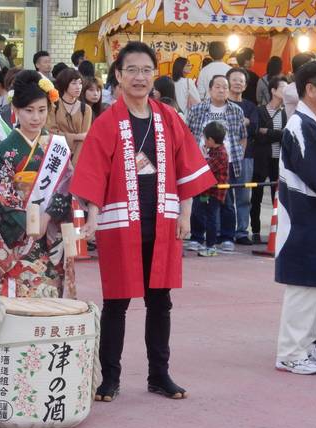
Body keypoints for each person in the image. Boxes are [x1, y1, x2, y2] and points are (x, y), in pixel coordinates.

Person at [70, 42, 217, 401]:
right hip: (120, 224)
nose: (139, 77)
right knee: (117, 301)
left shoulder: (168, 118)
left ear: (154, 75)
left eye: (146, 70)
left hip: (162, 223)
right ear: (118, 76)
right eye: (131, 70)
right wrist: (91, 218)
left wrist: (186, 215)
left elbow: (188, 169)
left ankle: (159, 374)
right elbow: (93, 175)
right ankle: (110, 378)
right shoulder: (107, 123)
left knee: (160, 301)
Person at [0, 70, 73, 298]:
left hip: (50, 233)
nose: (36, 117)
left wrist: (46, 218)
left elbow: (66, 186)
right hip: (18, 237)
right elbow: (4, 196)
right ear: (15, 110)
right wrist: (32, 223)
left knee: (48, 300)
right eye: (29, 111)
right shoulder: (4, 151)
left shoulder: (57, 147)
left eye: (42, 110)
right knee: (14, 303)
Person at [274, 61, 316, 375]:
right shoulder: (299, 126)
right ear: (310, 89)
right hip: (303, 216)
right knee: (304, 286)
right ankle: (289, 352)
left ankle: (306, 345)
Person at [186, 75, 246, 253]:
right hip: (200, 164)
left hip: (224, 164)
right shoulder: (197, 109)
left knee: (226, 202)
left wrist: (238, 156)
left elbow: (243, 136)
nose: (222, 90)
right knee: (199, 202)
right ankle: (197, 237)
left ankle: (227, 237)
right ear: (210, 89)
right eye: (218, 87)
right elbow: (187, 134)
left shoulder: (236, 110)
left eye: (225, 87)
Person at [251, 75, 287, 244]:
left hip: (278, 160)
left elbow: (286, 136)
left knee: (277, 197)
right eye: (282, 88)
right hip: (261, 159)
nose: (286, 92)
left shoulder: (286, 112)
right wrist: (275, 135)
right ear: (273, 91)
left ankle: (277, 232)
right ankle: (256, 231)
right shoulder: (260, 111)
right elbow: (258, 134)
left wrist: (269, 133)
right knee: (256, 196)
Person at [227, 67, 258, 245]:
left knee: (244, 195)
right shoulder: (221, 104)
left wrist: (243, 122)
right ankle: (227, 230)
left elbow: (253, 127)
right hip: (225, 157)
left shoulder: (250, 106)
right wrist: (243, 121)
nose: (238, 83)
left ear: (245, 86)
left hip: (246, 155)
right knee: (225, 195)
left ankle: (242, 232)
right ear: (228, 82)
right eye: (235, 80)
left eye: (241, 81)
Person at [194, 121, 229, 257]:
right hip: (206, 192)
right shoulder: (213, 151)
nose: (203, 141)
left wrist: (202, 156)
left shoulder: (220, 154)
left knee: (211, 218)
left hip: (214, 193)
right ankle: (204, 241)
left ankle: (211, 246)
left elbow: (204, 168)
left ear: (211, 140)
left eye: (205, 138)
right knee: (201, 213)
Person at [47, 68, 91, 165]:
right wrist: (76, 136)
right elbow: (51, 132)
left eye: (80, 83)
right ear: (64, 84)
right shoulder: (54, 105)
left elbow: (84, 138)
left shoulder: (86, 108)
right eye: (74, 83)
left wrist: (74, 165)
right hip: (56, 154)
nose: (78, 87)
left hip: (78, 156)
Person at [283, 52, 315, 117]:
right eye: (312, 66)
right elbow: (314, 99)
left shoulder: (312, 85)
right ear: (301, 69)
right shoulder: (289, 90)